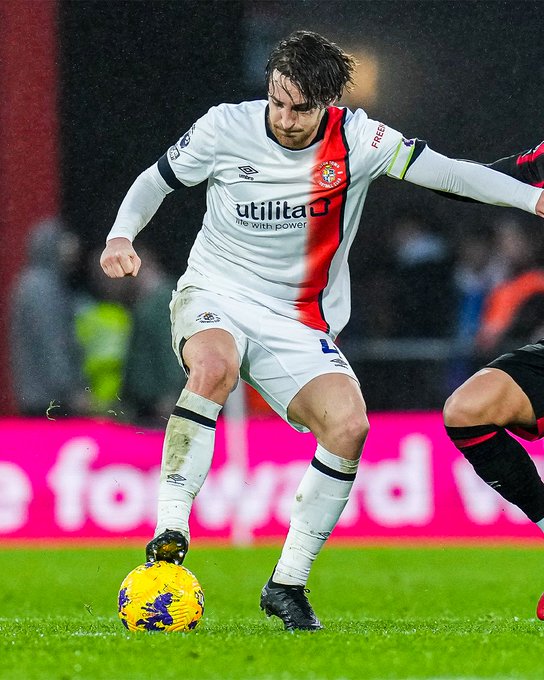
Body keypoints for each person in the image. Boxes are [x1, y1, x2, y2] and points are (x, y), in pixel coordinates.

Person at [100, 31, 544, 631]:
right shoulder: (223, 128)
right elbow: (156, 180)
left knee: (349, 425)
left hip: (298, 318)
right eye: (277, 101)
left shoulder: (359, 140)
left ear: (328, 103)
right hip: (215, 291)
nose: (283, 118)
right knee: (213, 368)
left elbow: (450, 175)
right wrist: (120, 236)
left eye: (300, 108)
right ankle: (169, 531)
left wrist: (532, 200)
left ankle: (287, 585)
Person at [10, 217, 89, 417]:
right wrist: (69, 390)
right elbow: (52, 344)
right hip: (49, 399)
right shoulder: (43, 288)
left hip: (37, 394)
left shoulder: (35, 283)